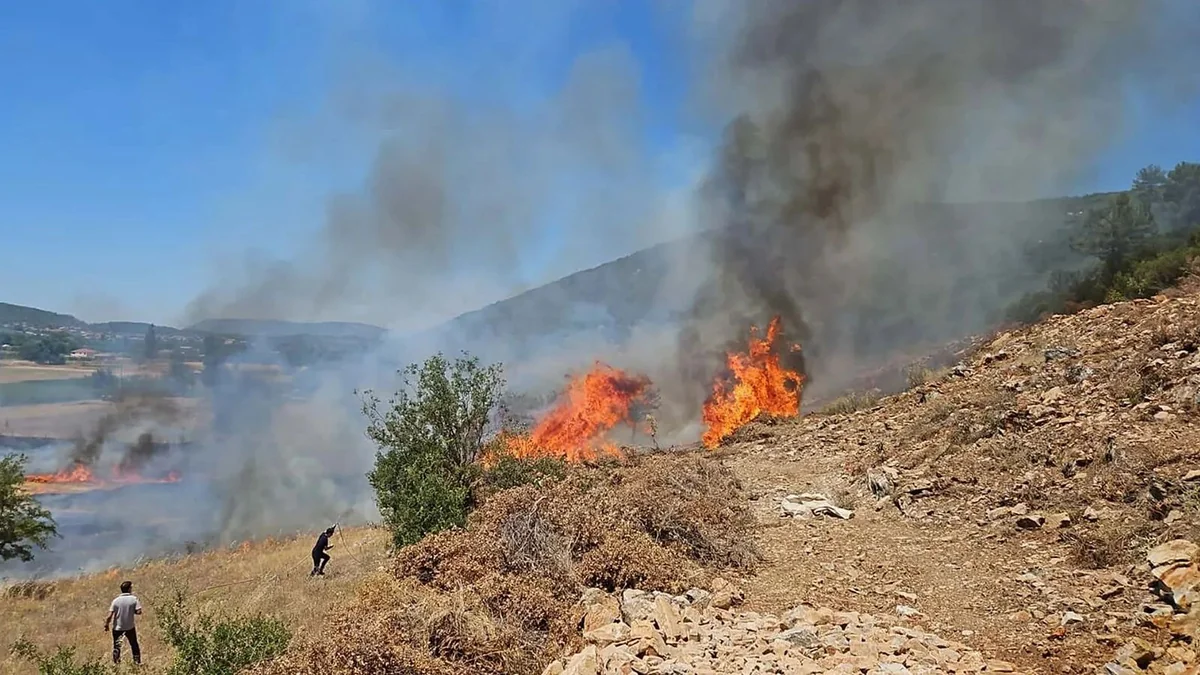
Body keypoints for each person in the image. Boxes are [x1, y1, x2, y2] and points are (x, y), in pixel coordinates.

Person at [104, 580, 142, 665]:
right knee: (134, 645)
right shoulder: (134, 599)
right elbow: (139, 611)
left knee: (117, 646)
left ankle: (116, 663)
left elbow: (109, 615)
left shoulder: (115, 601)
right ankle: (137, 662)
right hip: (130, 627)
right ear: (129, 589)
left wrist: (106, 625)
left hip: (117, 628)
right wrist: (131, 611)